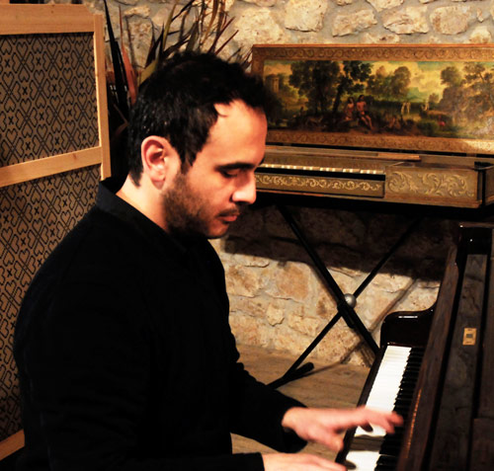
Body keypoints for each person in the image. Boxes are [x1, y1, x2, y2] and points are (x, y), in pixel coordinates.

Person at [14, 52, 401, 471]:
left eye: (253, 170)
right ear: (158, 159)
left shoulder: (189, 247)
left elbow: (211, 382)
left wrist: (291, 417)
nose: (250, 193)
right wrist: (264, 468)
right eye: (231, 172)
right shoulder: (82, 296)